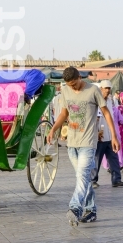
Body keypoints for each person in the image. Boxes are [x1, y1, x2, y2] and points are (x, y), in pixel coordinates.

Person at [47, 67, 120, 226]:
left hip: (88, 142)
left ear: (80, 77)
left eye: (74, 83)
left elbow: (106, 113)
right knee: (84, 178)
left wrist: (113, 136)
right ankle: (91, 210)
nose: (73, 87)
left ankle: (75, 207)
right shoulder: (65, 90)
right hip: (72, 143)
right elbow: (64, 114)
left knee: (81, 176)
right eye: (70, 85)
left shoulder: (93, 90)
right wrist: (53, 129)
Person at [91, 80, 123, 188]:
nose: (108, 90)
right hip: (99, 135)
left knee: (114, 158)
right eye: (106, 88)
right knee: (96, 159)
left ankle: (116, 180)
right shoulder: (95, 100)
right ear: (101, 88)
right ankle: (93, 180)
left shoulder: (110, 101)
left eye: (109, 88)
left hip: (110, 135)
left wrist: (114, 135)